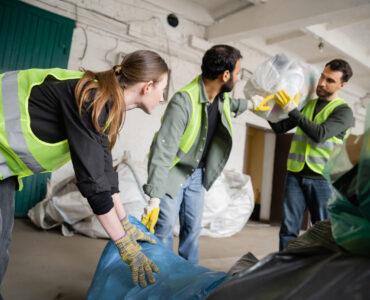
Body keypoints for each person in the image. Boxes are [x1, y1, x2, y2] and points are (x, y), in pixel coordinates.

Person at [0, 50, 168, 296]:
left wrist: (126, 224)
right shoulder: (90, 98)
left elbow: (105, 174)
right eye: (163, 89)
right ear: (148, 86)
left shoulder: (102, 101)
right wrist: (125, 246)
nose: (163, 97)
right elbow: (94, 186)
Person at [140, 45, 271, 264]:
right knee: (163, 227)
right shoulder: (184, 101)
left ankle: (187, 277)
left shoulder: (221, 99)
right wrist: (154, 196)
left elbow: (234, 106)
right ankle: (160, 279)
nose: (238, 78)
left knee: (192, 229)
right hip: (174, 173)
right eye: (237, 73)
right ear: (225, 75)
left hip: (197, 175)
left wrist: (254, 103)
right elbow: (163, 150)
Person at [269, 59, 355, 251]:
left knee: (323, 231)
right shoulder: (307, 104)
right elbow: (280, 127)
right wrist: (266, 110)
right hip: (295, 175)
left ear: (342, 85)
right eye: (322, 76)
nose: (322, 83)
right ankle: (285, 269)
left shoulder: (344, 112)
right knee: (288, 229)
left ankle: (320, 274)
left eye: (330, 80)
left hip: (323, 180)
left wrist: (292, 110)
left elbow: (320, 134)